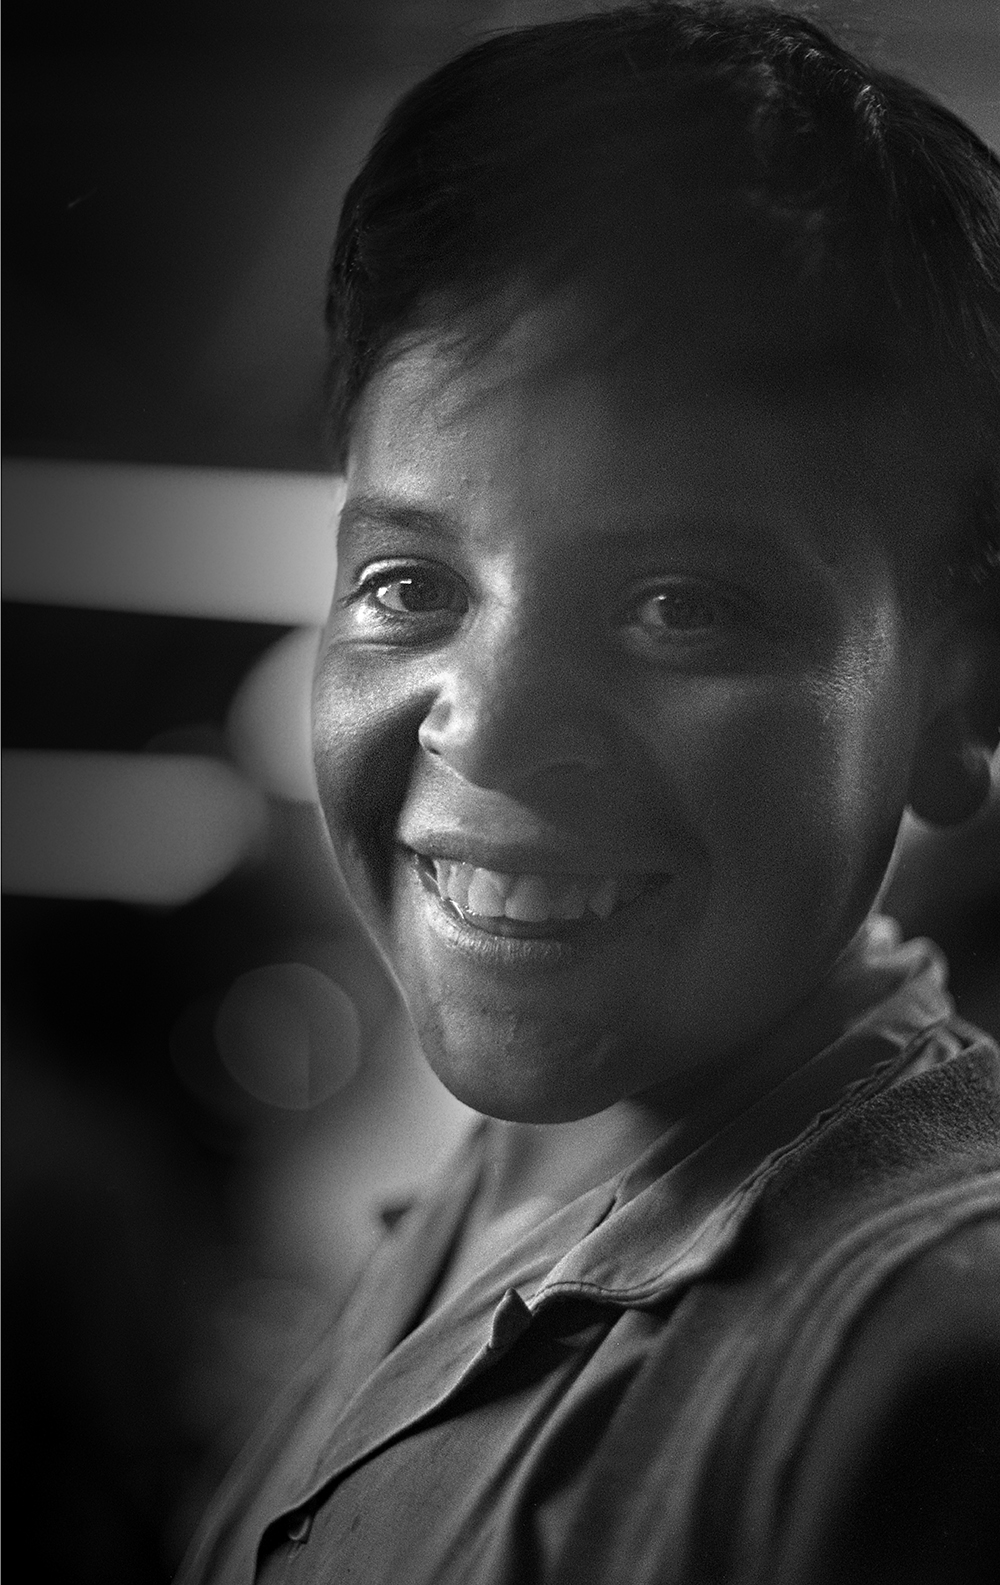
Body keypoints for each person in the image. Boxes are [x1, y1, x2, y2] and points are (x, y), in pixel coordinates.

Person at [179, 4, 1000, 1581]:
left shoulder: (922, 1370)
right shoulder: (475, 1205)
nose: (488, 728)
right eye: (411, 585)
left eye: (682, 605)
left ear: (961, 697)